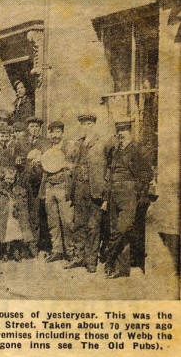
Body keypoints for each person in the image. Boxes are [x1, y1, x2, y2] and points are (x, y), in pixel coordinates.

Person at [104, 121, 152, 279]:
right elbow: (109, 173)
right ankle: (121, 269)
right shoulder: (115, 150)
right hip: (113, 194)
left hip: (129, 194)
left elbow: (146, 174)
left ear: (130, 132)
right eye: (119, 130)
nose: (121, 134)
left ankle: (109, 258)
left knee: (122, 228)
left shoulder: (139, 149)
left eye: (124, 130)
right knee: (114, 230)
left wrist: (140, 193)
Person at [66, 113, 111, 273]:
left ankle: (91, 260)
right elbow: (71, 165)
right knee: (79, 225)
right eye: (83, 124)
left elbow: (110, 169)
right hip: (79, 189)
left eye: (89, 124)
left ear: (94, 125)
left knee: (93, 226)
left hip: (95, 191)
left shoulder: (103, 143)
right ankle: (78, 257)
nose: (86, 127)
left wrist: (106, 192)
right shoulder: (77, 144)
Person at [39, 121, 74, 263]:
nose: (55, 135)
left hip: (63, 187)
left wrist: (68, 165)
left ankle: (70, 251)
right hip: (49, 186)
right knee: (52, 220)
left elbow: (75, 165)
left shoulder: (69, 147)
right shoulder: (46, 148)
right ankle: (57, 250)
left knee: (67, 220)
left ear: (62, 133)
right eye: (52, 132)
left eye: (58, 132)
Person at [16, 116, 51, 256]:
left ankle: (35, 246)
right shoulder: (21, 143)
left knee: (36, 214)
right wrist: (17, 161)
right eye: (32, 126)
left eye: (37, 127)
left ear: (40, 128)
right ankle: (24, 245)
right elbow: (16, 161)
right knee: (24, 213)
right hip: (24, 182)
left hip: (39, 182)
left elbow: (49, 161)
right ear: (28, 128)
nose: (34, 129)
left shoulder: (45, 143)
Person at [0, 166, 33, 262]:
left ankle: (16, 253)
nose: (9, 181)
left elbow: (23, 202)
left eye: (11, 179)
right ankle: (4, 254)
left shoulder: (19, 189)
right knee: (4, 235)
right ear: (3, 178)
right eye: (7, 178)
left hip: (14, 216)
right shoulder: (0, 190)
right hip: (4, 216)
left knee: (16, 234)